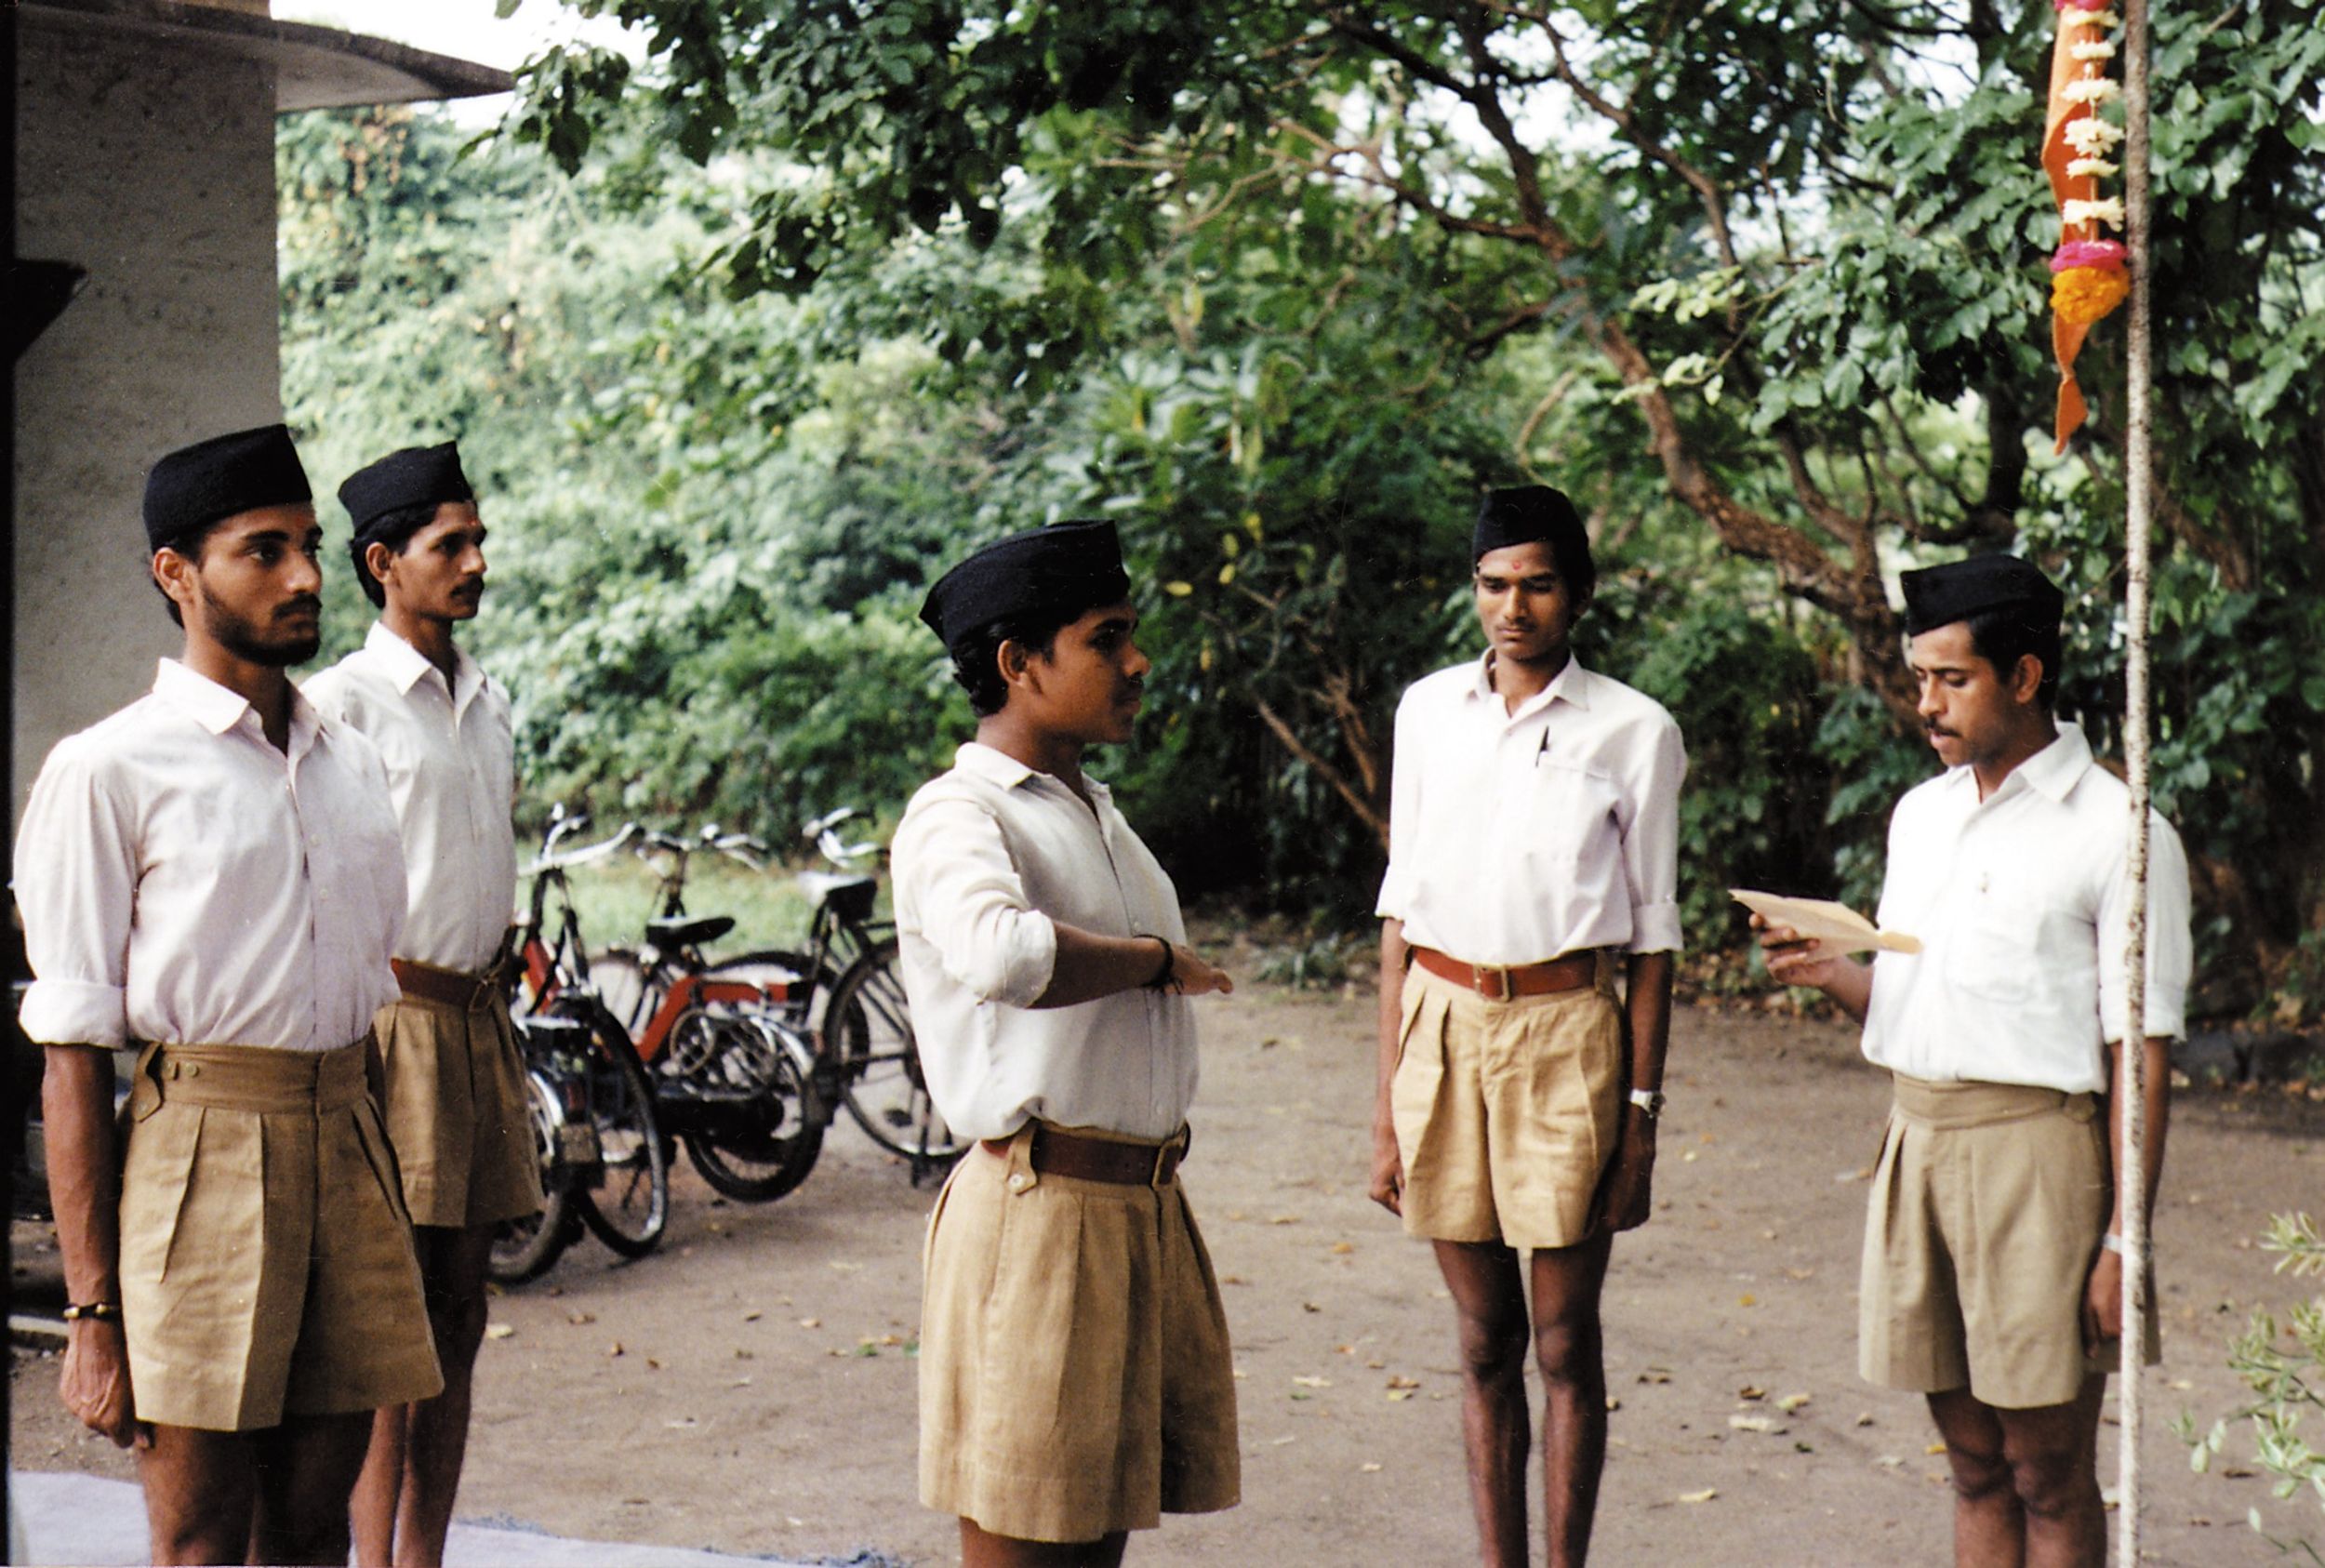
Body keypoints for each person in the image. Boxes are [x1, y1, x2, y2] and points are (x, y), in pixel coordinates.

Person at [14, 424, 442, 1566]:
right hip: (194, 1155)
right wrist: (91, 1315)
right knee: (203, 1537)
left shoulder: (348, 758)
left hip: (349, 1145)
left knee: (313, 1530)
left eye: (309, 546)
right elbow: (72, 1050)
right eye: (263, 551)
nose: (305, 576)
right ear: (176, 573)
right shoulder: (109, 770)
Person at [1756, 553, 2188, 1568]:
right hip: (1917, 1146)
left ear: (2026, 677)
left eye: (1953, 680)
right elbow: (1918, 1003)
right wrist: (1833, 972)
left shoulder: (2118, 833)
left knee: (2046, 1468)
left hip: (2037, 1162)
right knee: (1971, 1464)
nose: (1927, 705)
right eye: (1918, 680)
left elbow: (2142, 1055)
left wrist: (2128, 1238)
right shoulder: (1923, 814)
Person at [892, 519, 1242, 1568]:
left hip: (1134, 1211)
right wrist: (1148, 960)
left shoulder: (1093, 810)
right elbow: (1001, 955)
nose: (1137, 663)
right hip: (1038, 1220)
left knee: (1095, 1546)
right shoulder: (958, 815)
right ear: (1017, 664)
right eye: (1107, 637)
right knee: (1026, 1542)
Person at [1371, 484, 1685, 1568]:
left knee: (1562, 1340)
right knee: (1481, 1338)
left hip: (1568, 1038)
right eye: (1495, 585)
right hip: (1444, 1028)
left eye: (1538, 585)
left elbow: (1652, 944)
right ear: (1474, 592)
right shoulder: (1425, 713)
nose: (1515, 608)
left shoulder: (1633, 731)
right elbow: (1398, 918)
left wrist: (1639, 1121)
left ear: (1577, 595)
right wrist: (1386, 1110)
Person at [303, 441, 540, 1568]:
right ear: (382, 561)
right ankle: (373, 1558)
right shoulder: (338, 705)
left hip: (477, 1026)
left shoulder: (484, 698)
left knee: (459, 1314)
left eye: (479, 540)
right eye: (451, 545)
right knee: (392, 1328)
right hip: (390, 1029)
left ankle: (424, 1554)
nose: (475, 561)